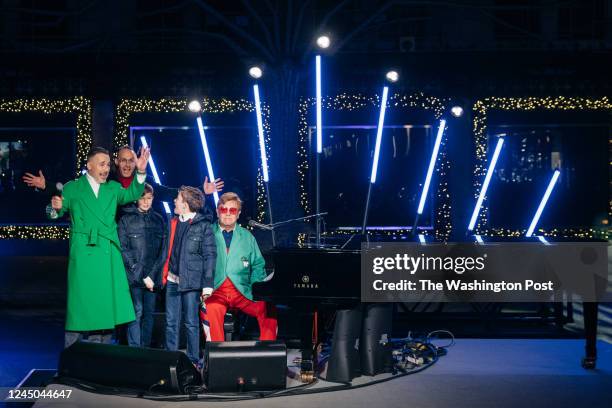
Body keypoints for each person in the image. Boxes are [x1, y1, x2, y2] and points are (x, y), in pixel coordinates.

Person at [48, 146, 150, 347]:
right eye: (102, 164)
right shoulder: (72, 188)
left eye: (108, 165)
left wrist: (141, 171)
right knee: (79, 310)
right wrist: (54, 207)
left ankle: (99, 361)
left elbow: (132, 194)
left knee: (104, 310)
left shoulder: (112, 187)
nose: (106, 168)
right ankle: (71, 362)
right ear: (89, 165)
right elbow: (53, 213)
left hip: (107, 253)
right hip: (84, 252)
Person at [24, 145, 224, 202]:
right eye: (124, 160)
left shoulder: (146, 182)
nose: (128, 164)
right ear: (116, 162)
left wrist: (201, 190)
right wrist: (46, 186)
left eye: (131, 160)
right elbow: (76, 189)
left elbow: (172, 193)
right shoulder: (106, 180)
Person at [200, 192, 277, 342]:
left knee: (267, 307)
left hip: (243, 291)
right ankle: (217, 357)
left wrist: (256, 288)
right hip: (215, 290)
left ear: (238, 213)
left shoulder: (247, 236)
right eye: (223, 210)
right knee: (210, 309)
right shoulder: (207, 232)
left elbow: (258, 265)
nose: (228, 214)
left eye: (232, 210)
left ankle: (268, 352)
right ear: (217, 211)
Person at [162, 186, 216, 364]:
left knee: (191, 323)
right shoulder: (173, 223)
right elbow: (167, 252)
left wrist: (207, 284)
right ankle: (170, 357)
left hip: (191, 282)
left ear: (185, 204)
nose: (175, 201)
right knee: (171, 322)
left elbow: (210, 256)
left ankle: (193, 359)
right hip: (172, 279)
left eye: (178, 199)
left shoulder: (204, 226)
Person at [118, 183, 167, 348]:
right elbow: (123, 249)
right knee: (136, 313)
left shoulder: (159, 220)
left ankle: (144, 349)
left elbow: (163, 251)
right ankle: (135, 350)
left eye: (149, 198)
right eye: (142, 198)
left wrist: (151, 276)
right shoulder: (126, 220)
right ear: (136, 199)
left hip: (152, 278)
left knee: (149, 314)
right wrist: (139, 273)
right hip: (134, 278)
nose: (146, 202)